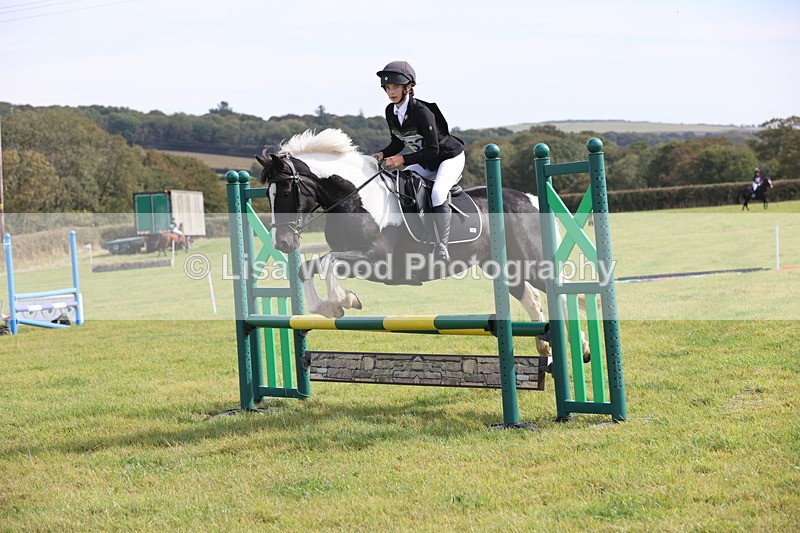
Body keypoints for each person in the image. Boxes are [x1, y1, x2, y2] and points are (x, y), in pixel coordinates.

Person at [372, 61, 465, 263]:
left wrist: (403, 159)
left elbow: (433, 149)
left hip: (449, 158)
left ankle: (442, 246)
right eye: (387, 88)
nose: (391, 92)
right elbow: (397, 143)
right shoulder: (391, 111)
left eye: (395, 87)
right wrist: (380, 154)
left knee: (439, 192)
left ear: (409, 87)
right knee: (399, 182)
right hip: (427, 162)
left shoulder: (422, 112)